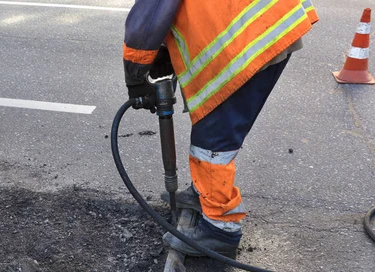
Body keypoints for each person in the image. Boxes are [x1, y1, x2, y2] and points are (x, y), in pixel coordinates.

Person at [123, 0, 318, 256]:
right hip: (266, 25)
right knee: (214, 127)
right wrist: (164, 49)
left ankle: (220, 230)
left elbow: (149, 17)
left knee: (213, 137)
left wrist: (135, 75)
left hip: (250, 36)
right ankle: (204, 193)